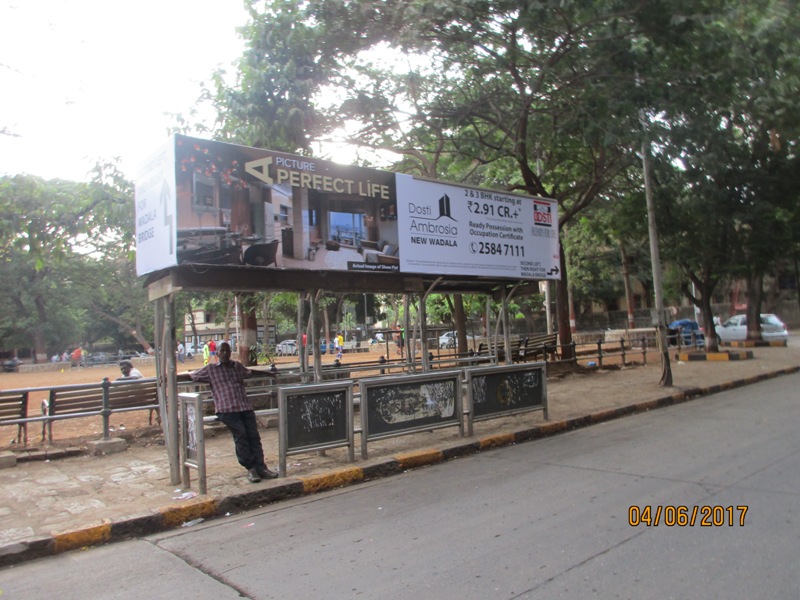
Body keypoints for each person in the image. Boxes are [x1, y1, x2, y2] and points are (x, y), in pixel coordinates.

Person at [188, 342, 278, 483]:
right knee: (241, 435)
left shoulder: (237, 366)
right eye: (222, 351)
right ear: (217, 353)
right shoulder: (211, 369)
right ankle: (251, 468)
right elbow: (192, 376)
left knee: (254, 436)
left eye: (227, 351)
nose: (224, 353)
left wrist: (268, 373)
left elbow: (250, 372)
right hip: (227, 409)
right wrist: (171, 377)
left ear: (231, 352)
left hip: (244, 406)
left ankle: (261, 468)